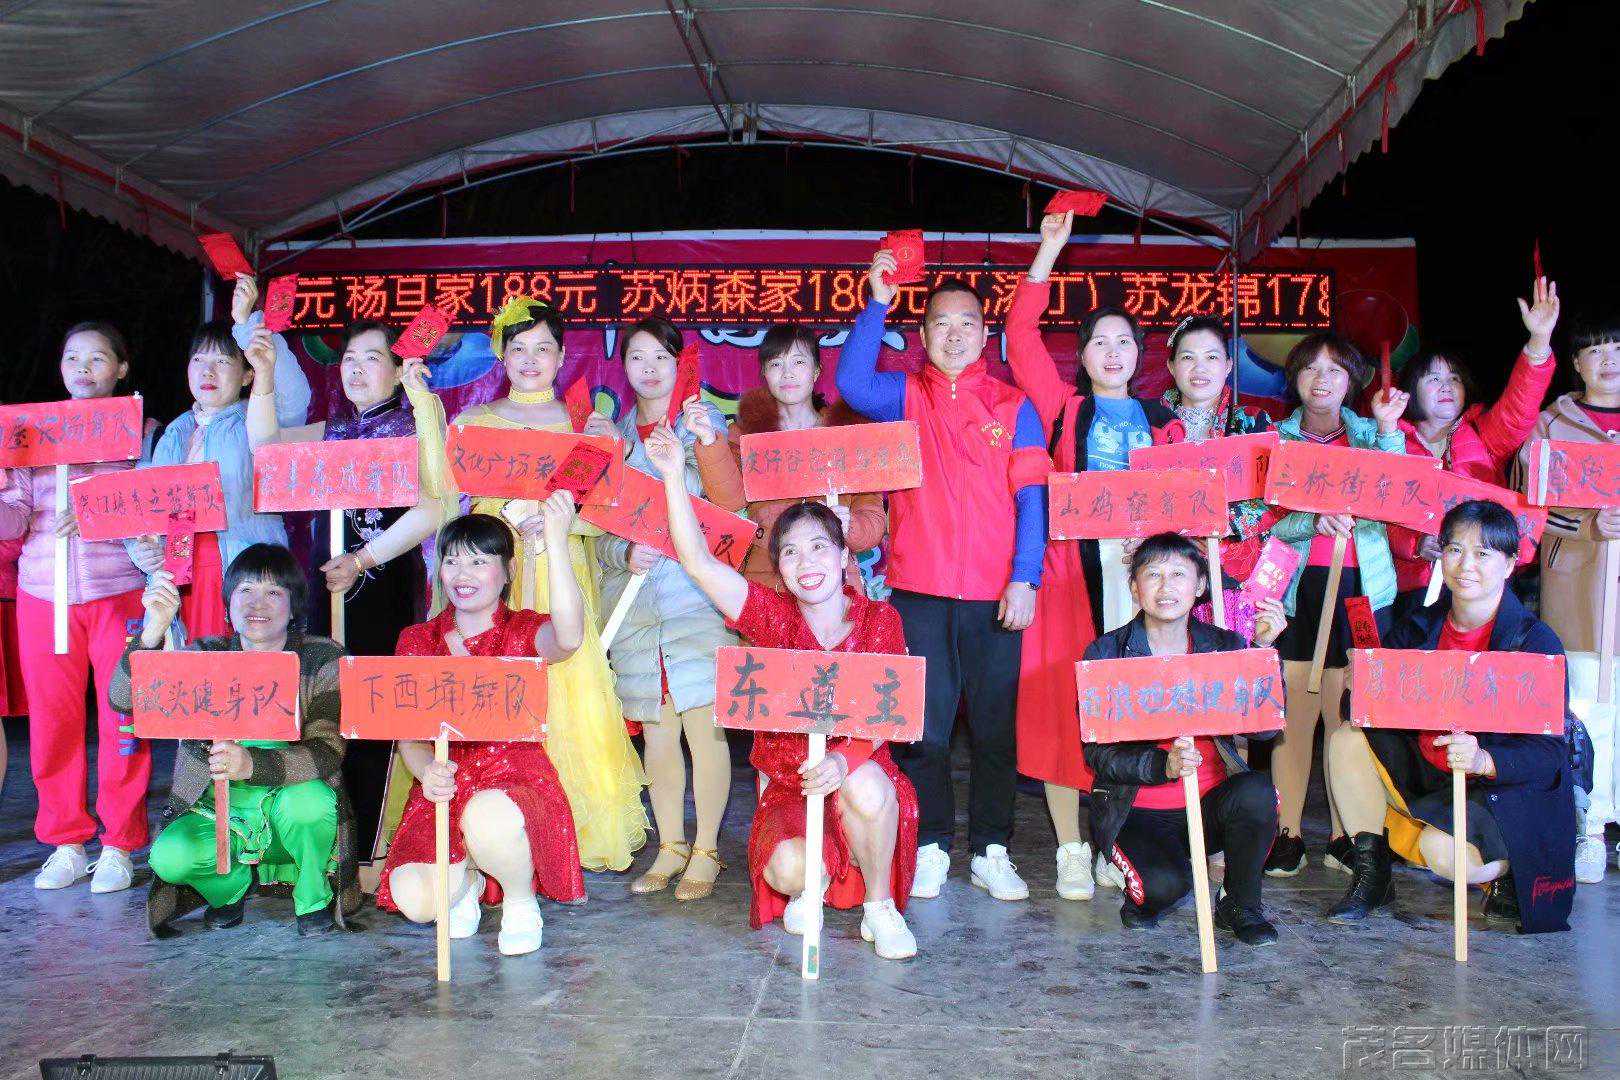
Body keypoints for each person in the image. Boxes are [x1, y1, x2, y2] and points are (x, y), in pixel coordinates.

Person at [645, 422, 919, 957]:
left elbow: (891, 715)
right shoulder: (771, 618)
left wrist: (843, 760)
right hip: (793, 786)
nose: (806, 562)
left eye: (819, 547)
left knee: (864, 785)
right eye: (790, 552)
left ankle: (879, 907)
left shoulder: (880, 621)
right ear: (780, 567)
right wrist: (674, 475)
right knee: (790, 867)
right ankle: (811, 885)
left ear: (844, 557)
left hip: (857, 774)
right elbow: (698, 563)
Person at [837, 250, 1049, 902]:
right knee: (924, 730)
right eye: (940, 324)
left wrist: (1025, 577)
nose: (954, 334)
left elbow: (1032, 499)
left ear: (985, 335)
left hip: (995, 595)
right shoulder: (904, 396)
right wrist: (877, 301)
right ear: (923, 335)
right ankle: (929, 845)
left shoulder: (1014, 406)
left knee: (994, 729)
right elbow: (851, 383)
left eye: (967, 324)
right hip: (919, 591)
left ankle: (990, 850)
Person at [1007, 210, 1176, 900]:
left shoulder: (1165, 424)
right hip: (1069, 577)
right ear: (1081, 357)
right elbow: (1019, 336)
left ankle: (1111, 841)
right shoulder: (1063, 408)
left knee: (1129, 714)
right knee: (1061, 711)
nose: (1112, 352)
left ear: (1140, 355)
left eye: (1123, 342)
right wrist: (1049, 251)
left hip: (1142, 582)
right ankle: (1070, 849)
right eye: (1099, 342)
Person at [450, 298, 648, 874]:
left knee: (566, 685)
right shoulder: (476, 422)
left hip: (562, 571)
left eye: (543, 349)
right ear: (501, 356)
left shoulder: (583, 425)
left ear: (562, 357)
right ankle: (495, 824)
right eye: (518, 349)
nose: (531, 359)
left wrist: (561, 522)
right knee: (496, 684)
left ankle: (565, 829)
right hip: (496, 578)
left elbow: (602, 516)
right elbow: (454, 503)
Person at [245, 319, 455, 861]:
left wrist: (363, 560)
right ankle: (323, 835)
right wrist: (263, 376)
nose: (356, 369)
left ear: (398, 370)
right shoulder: (333, 430)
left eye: (371, 358)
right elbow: (265, 447)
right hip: (326, 589)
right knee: (326, 704)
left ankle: (370, 844)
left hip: (385, 588)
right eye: (349, 359)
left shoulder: (414, 426)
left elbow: (435, 508)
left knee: (378, 706)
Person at [1324, 501, 1576, 933]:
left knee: (1443, 853)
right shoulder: (1420, 625)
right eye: (1455, 549)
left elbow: (1549, 754)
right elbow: (1363, 713)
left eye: (1483, 554)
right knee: (1347, 738)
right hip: (1431, 774)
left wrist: (1484, 760)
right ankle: (1373, 874)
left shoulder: (1534, 642)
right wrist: (1362, 684)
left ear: (1510, 563)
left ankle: (1508, 872)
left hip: (1499, 791)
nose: (1466, 565)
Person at [108, 543, 357, 936]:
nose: (258, 604)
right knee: (170, 857)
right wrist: (152, 629)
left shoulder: (322, 658)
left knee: (311, 804)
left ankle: (313, 897)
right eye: (246, 590)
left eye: (274, 592)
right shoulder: (204, 655)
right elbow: (123, 700)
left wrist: (251, 764)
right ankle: (230, 890)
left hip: (290, 803)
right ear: (228, 604)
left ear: (294, 607)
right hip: (219, 808)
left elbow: (329, 750)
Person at [377, 507, 589, 956]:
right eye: (452, 560)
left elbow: (569, 638)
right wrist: (426, 773)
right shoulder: (417, 640)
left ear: (507, 571)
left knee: (489, 818)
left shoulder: (525, 631)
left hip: (513, 781)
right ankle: (468, 881)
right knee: (415, 899)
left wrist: (556, 542)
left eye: (479, 561)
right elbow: (408, 736)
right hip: (446, 783)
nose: (463, 574)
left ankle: (519, 899)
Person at [590, 315, 742, 900]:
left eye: (661, 357)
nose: (650, 369)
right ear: (623, 367)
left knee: (705, 730)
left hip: (695, 603)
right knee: (657, 733)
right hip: (636, 610)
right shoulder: (612, 438)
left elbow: (733, 506)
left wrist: (709, 445)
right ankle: (670, 845)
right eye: (637, 357)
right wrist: (624, 553)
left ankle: (706, 850)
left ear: (681, 364)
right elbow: (593, 531)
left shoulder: (703, 424)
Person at [0, 322, 151, 894]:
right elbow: (13, 519)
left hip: (118, 592)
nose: (82, 368)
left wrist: (100, 514)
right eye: (72, 358)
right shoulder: (29, 433)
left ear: (121, 368)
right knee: (53, 721)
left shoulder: (139, 432)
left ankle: (119, 844)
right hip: (43, 595)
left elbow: (156, 509)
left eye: (97, 358)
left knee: (123, 719)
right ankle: (66, 841)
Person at [1082, 533, 1288, 944]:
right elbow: (1098, 756)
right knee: (1163, 889)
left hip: (1208, 805)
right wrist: (1164, 765)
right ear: (1134, 587)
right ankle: (1144, 886)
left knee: (1257, 793)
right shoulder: (1106, 654)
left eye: (1178, 574)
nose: (1166, 586)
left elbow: (1266, 729)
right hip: (1137, 811)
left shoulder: (1223, 646)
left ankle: (1240, 904)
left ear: (1200, 586)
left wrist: (1263, 651)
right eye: (1153, 574)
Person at [1261, 334, 1408, 878]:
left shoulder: (1373, 434)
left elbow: (1397, 494)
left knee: (1347, 713)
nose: (1321, 380)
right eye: (1310, 369)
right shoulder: (1275, 439)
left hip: (1364, 591)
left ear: (1353, 381)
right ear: (1294, 379)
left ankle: (1347, 834)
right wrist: (1311, 520)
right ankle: (1287, 832)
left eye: (1335, 370)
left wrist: (1389, 430)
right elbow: (1260, 518)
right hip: (1297, 591)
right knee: (1294, 713)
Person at [133, 275, 311, 641]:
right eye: (198, 359)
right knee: (189, 660)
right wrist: (142, 550)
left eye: (222, 360)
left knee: (239, 658)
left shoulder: (259, 418)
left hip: (242, 566)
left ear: (247, 375)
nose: (207, 371)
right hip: (180, 570)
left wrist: (247, 324)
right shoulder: (172, 432)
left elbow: (294, 395)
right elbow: (142, 508)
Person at [1385, 277, 1558, 615]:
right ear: (1412, 389)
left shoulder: (1483, 434)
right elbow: (1378, 515)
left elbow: (1520, 408)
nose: (1446, 386)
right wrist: (1416, 544)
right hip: (1415, 587)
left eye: (1454, 379)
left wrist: (1539, 340)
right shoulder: (1392, 442)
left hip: (1482, 584)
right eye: (1434, 379)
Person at [1518, 310, 1620, 883]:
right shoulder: (1552, 424)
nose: (1609, 362)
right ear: (1577, 362)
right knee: (1585, 706)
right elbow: (1528, 502)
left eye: (1617, 349)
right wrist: (1588, 525)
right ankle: (1590, 828)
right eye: (1596, 351)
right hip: (1579, 588)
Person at [726, 324, 886, 591]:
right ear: (764, 373)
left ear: (816, 371)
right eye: (776, 363)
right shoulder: (745, 437)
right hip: (766, 583)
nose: (787, 373)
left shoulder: (848, 435)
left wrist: (851, 526)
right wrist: (709, 444)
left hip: (833, 586)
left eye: (798, 362)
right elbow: (727, 499)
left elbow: (873, 519)